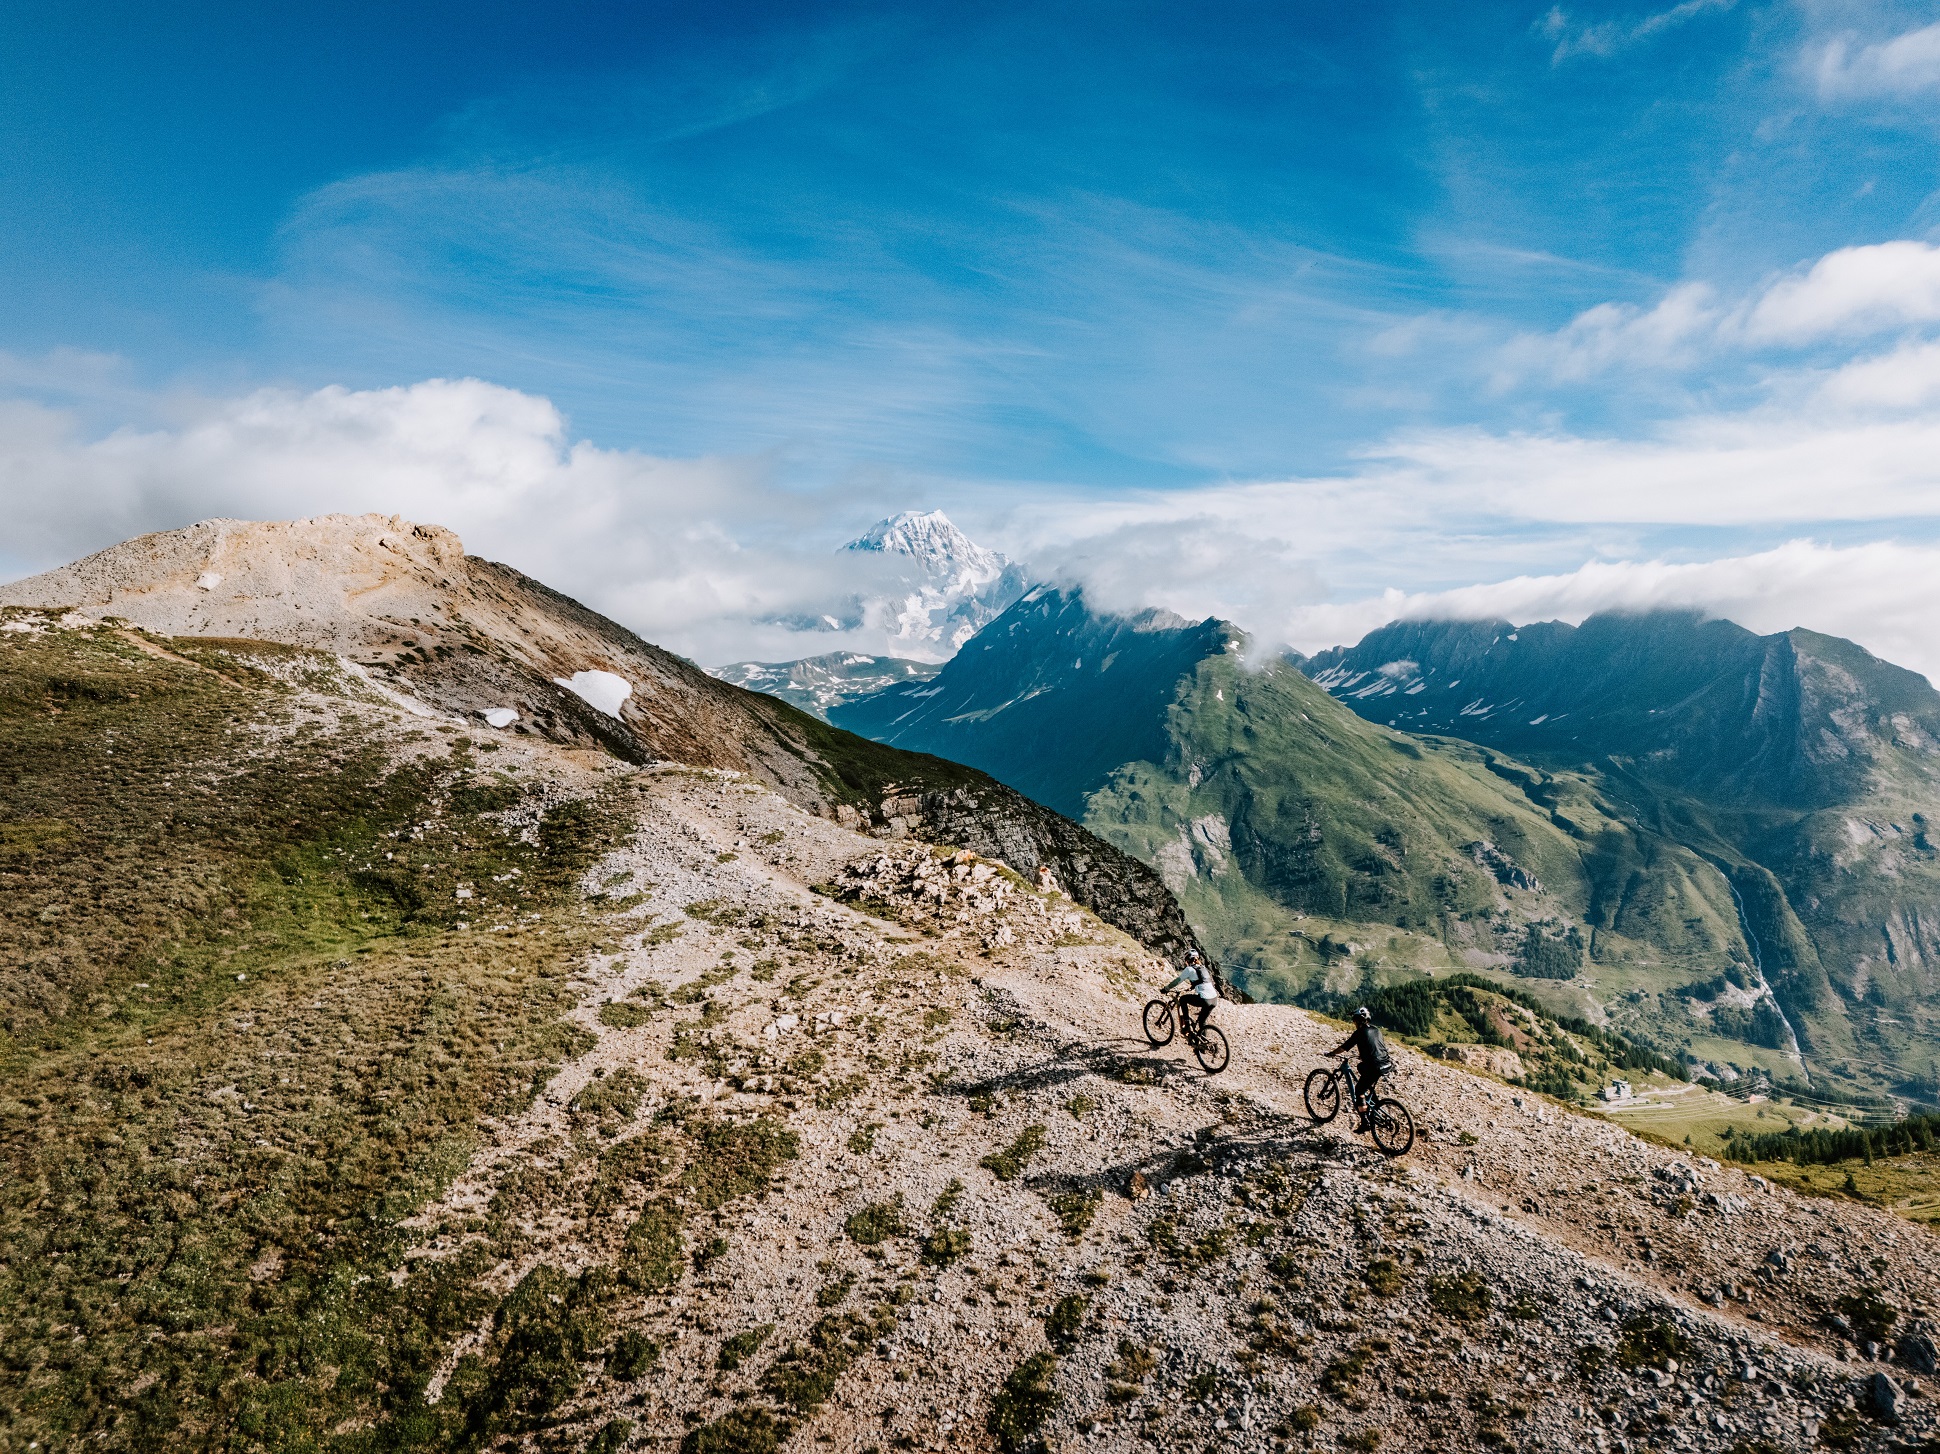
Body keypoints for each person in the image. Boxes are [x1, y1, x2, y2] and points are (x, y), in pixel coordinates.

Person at [1329, 1007, 1394, 1130]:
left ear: (1358, 1021)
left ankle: (1365, 1123)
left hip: (1375, 1066)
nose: (1353, 1023)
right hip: (1386, 1064)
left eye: (1354, 1020)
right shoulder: (1376, 1030)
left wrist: (1332, 1053)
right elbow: (1375, 1046)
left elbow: (1344, 1047)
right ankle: (1374, 1101)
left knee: (1358, 1091)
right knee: (1361, 1067)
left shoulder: (1359, 1033)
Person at [1158, 949, 1218, 1036]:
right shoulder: (1203, 968)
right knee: (1202, 1022)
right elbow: (1202, 981)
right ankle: (1202, 1047)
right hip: (1214, 999)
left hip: (1205, 999)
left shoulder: (1189, 969)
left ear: (1188, 960)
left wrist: (1166, 988)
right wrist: (1192, 987)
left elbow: (1177, 981)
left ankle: (1187, 1026)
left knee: (1183, 999)